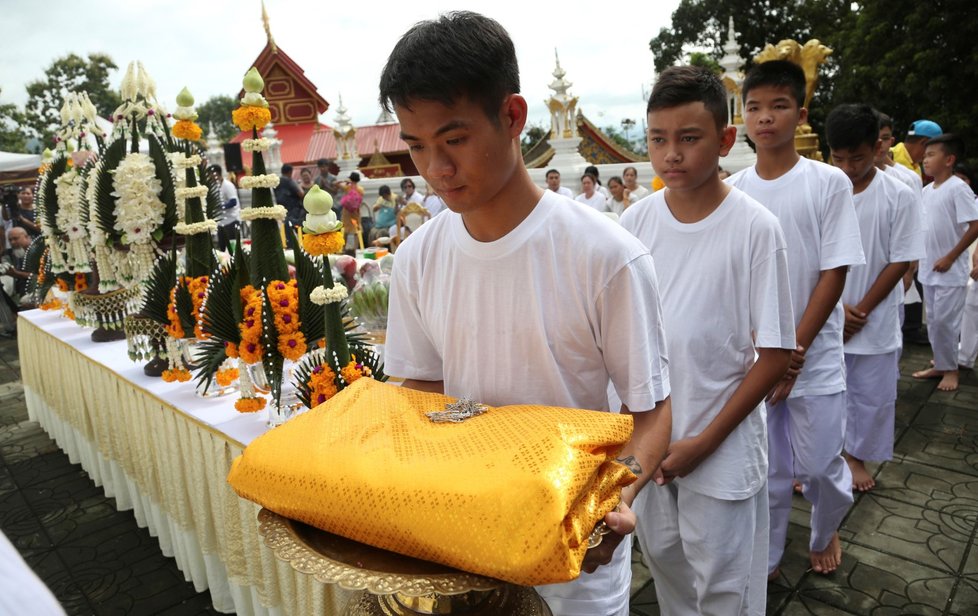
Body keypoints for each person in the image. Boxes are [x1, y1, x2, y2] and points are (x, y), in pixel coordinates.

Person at [379, 12, 671, 616]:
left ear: (513, 116)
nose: (435, 168)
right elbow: (423, 392)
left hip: (570, 561)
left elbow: (652, 410)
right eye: (416, 146)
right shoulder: (417, 259)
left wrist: (611, 499)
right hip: (463, 543)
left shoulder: (606, 256)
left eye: (453, 140)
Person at [621, 65, 794, 616]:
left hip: (720, 446)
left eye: (689, 139)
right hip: (650, 442)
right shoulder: (634, 224)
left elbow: (774, 355)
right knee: (668, 572)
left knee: (726, 589)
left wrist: (705, 442)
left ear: (723, 140)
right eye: (658, 139)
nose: (671, 154)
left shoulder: (755, 228)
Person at [726, 60, 865, 577]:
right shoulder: (734, 187)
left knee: (822, 466)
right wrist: (768, 353)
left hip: (814, 354)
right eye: (755, 107)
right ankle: (767, 552)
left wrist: (795, 351)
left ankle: (826, 529)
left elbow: (835, 271)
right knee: (769, 470)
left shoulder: (828, 183)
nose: (765, 118)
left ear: (800, 114)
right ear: (743, 117)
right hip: (757, 356)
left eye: (778, 106)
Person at [825, 104, 924, 493]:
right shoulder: (824, 190)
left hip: (874, 313)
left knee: (870, 394)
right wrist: (835, 309)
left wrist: (861, 310)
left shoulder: (898, 195)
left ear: (878, 148)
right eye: (839, 158)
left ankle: (856, 457)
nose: (848, 167)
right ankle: (822, 458)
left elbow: (901, 258)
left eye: (858, 157)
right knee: (824, 393)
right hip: (826, 311)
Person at [911, 134, 978, 391]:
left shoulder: (958, 188)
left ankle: (951, 371)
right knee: (935, 321)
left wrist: (951, 256)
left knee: (947, 322)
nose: (925, 160)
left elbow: (974, 226)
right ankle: (941, 363)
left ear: (949, 159)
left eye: (931, 155)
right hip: (929, 268)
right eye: (925, 155)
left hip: (950, 271)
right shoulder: (927, 191)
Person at [208, 165, 240, 252]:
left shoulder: (228, 185)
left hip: (231, 221)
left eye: (210, 175)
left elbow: (233, 202)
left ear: (217, 174)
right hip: (221, 222)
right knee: (222, 248)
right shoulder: (214, 186)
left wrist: (220, 207)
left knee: (232, 248)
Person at [339, 172, 365, 251]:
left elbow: (337, 184)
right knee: (356, 229)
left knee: (345, 230)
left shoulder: (347, 187)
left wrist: (346, 181)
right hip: (355, 212)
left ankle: (343, 248)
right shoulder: (360, 189)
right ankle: (355, 248)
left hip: (346, 212)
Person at [274, 163, 305, 228]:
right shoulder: (289, 181)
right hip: (293, 209)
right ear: (290, 172)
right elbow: (301, 194)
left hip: (281, 209)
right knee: (295, 227)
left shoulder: (276, 181)